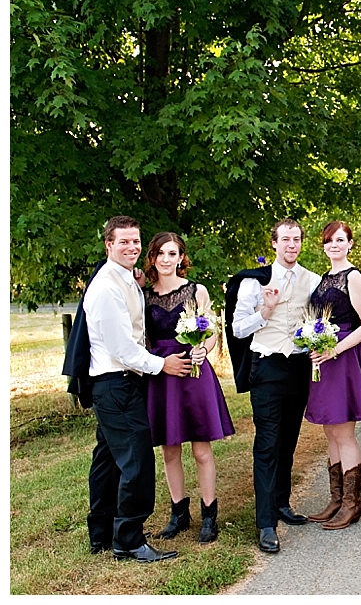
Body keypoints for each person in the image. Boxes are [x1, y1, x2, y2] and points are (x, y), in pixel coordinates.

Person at [78, 216, 191, 562]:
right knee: (137, 462)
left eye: (135, 241)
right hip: (115, 384)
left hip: (117, 383)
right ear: (108, 245)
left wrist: (136, 279)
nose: (131, 247)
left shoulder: (125, 279)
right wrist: (163, 365)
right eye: (123, 242)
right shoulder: (106, 288)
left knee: (108, 461)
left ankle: (101, 534)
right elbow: (122, 350)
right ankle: (128, 540)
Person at [230, 219, 321, 553]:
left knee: (288, 440)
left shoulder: (312, 279)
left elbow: (319, 318)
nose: (291, 245)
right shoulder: (255, 282)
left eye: (297, 239)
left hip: (298, 366)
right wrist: (265, 310)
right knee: (267, 442)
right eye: (285, 239)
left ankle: (282, 503)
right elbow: (239, 328)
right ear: (274, 244)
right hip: (266, 365)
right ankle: (266, 523)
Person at [143, 232, 235, 544]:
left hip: (194, 373)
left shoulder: (197, 291)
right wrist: (159, 360)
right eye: (161, 253)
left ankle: (209, 515)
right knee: (170, 449)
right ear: (153, 257)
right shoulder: (144, 295)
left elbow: (210, 330)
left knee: (201, 448)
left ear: (182, 257)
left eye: (173, 253)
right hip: (162, 372)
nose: (167, 259)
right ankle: (178, 513)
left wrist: (204, 349)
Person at [303, 221, 361, 531]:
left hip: (344, 358)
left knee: (344, 432)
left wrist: (335, 349)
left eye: (340, 240)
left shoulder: (353, 277)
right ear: (322, 246)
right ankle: (336, 499)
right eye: (328, 240)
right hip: (322, 361)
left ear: (349, 243)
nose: (334, 244)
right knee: (330, 431)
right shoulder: (324, 280)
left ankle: (353, 503)